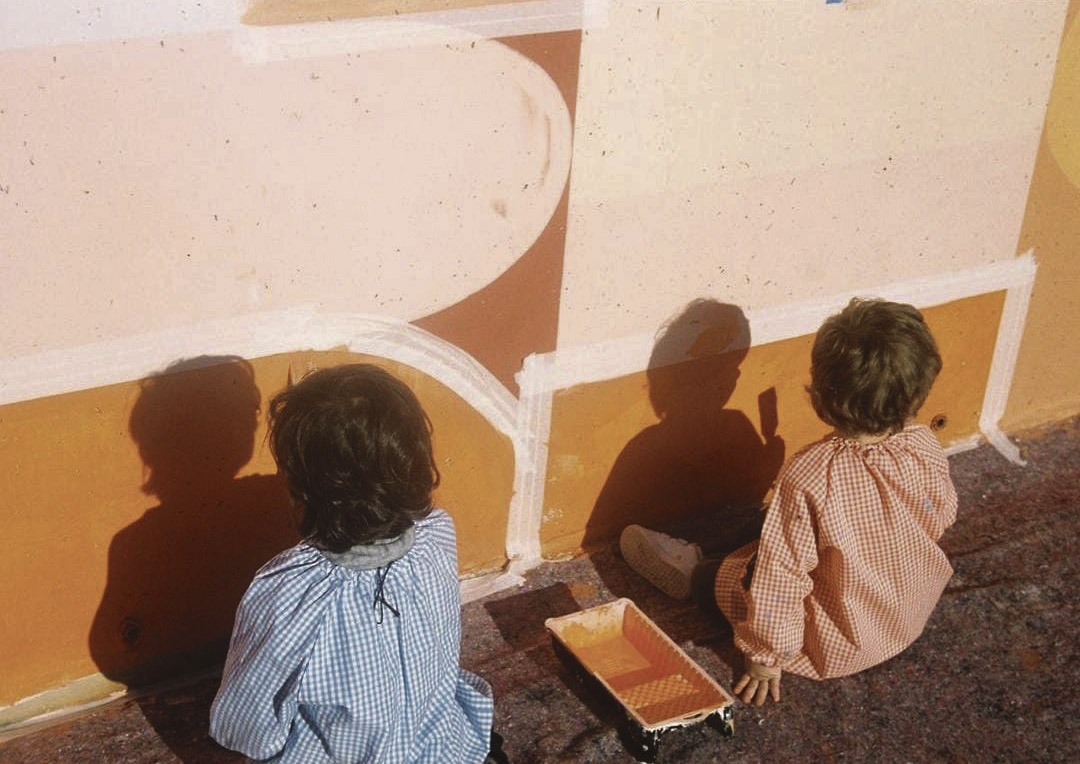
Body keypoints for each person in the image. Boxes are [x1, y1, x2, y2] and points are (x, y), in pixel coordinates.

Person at [621, 298, 958, 706]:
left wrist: (765, 658)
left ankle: (691, 567)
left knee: (722, 575)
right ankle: (741, 550)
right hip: (899, 620)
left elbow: (781, 580)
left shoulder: (811, 475)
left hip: (832, 641)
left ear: (822, 393)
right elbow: (942, 513)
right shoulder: (922, 444)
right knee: (777, 528)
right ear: (917, 391)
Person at [210, 363, 503, 762]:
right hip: (443, 748)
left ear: (300, 491)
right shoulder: (437, 534)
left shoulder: (289, 592)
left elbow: (247, 725)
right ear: (416, 465)